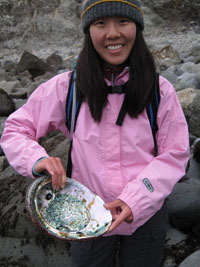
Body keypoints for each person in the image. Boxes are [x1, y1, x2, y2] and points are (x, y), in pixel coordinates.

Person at [0, 0, 189, 266]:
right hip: (85, 216)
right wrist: (36, 160)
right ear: (89, 31)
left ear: (137, 26)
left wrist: (136, 199)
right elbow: (16, 128)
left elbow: (176, 153)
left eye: (123, 21)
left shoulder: (160, 90)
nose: (113, 33)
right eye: (101, 23)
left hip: (146, 215)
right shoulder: (68, 88)